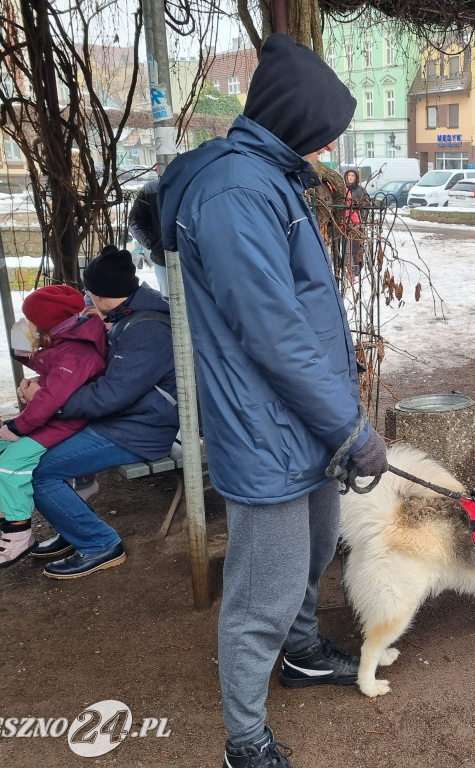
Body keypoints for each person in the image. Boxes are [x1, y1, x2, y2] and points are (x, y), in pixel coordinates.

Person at [158, 34, 389, 768]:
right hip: (269, 430)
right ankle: (245, 741)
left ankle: (304, 655)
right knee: (261, 592)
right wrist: (350, 426)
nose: (326, 152)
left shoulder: (267, 176)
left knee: (315, 552)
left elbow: (298, 319)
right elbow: (275, 336)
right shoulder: (233, 193)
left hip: (302, 423)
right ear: (297, 121)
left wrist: (337, 416)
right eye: (324, 136)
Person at [28, 245, 178, 577]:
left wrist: (53, 402)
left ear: (98, 293)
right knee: (34, 451)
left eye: (88, 293)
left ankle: (99, 544)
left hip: (139, 431)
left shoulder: (145, 329)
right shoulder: (126, 312)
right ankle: (73, 530)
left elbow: (111, 395)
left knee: (39, 471)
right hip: (123, 421)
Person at [0, 285, 107, 567]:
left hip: (64, 421)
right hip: (50, 415)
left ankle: (18, 534)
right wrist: (23, 351)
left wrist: (18, 426)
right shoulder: (65, 337)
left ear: (46, 321)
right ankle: (7, 500)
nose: (29, 324)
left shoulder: (77, 351)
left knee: (8, 464)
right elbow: (48, 364)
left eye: (31, 319)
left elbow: (53, 398)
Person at [127, 179, 168, 299]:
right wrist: (155, 244)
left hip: (199, 259)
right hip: (163, 260)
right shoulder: (151, 190)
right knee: (170, 304)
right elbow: (136, 223)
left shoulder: (196, 183)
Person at [342, 168, 366, 277]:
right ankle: (346, 268)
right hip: (344, 222)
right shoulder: (342, 189)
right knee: (345, 247)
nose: (350, 178)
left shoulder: (360, 190)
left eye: (353, 176)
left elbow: (365, 206)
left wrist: (362, 219)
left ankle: (356, 269)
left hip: (357, 222)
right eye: (349, 175)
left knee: (355, 247)